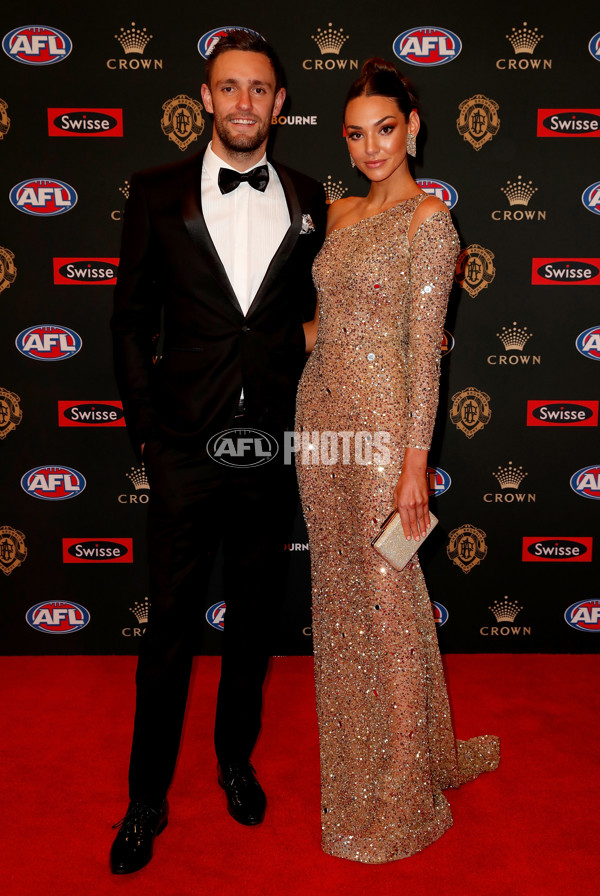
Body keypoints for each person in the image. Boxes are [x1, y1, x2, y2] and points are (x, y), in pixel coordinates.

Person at [109, 29, 326, 874]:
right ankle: (145, 799)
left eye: (259, 89)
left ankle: (235, 761)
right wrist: (148, 434)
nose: (244, 103)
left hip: (268, 448)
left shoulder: (309, 197)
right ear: (206, 98)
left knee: (253, 625)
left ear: (279, 103)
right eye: (228, 88)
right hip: (185, 450)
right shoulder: (156, 192)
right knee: (169, 627)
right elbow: (129, 323)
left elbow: (318, 317)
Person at [295, 58, 500, 863]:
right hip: (319, 425)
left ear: (412, 128)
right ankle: (364, 755)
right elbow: (322, 327)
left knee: (386, 603)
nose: (372, 146)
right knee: (345, 602)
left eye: (386, 129)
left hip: (383, 437)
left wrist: (415, 463)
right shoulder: (340, 215)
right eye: (356, 134)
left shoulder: (430, 220)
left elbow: (426, 357)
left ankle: (404, 787)